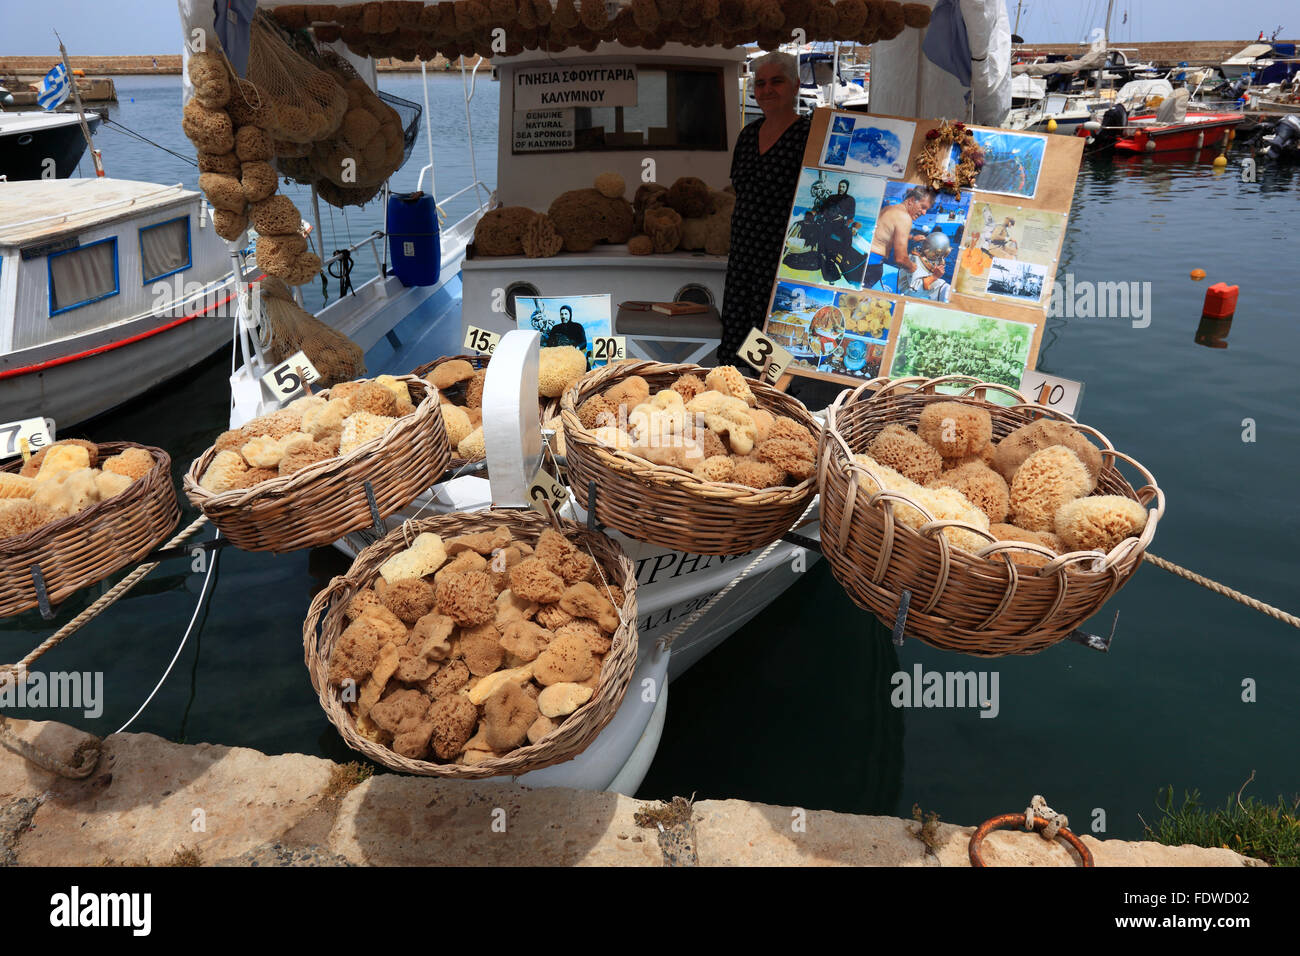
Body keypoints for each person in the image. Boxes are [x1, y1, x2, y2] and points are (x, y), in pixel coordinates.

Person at [718, 51, 811, 368]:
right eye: (760, 83)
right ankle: (741, 393)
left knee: (776, 336)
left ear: (796, 85)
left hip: (780, 259)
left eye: (777, 81)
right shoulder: (747, 136)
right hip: (744, 255)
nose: (767, 90)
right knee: (740, 339)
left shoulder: (808, 136)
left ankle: (773, 401)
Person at [865, 185, 938, 291]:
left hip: (863, 259)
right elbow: (900, 259)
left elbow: (887, 233)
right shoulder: (905, 217)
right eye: (923, 207)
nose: (924, 213)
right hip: (871, 266)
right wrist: (914, 268)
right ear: (912, 200)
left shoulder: (889, 209)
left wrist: (912, 237)